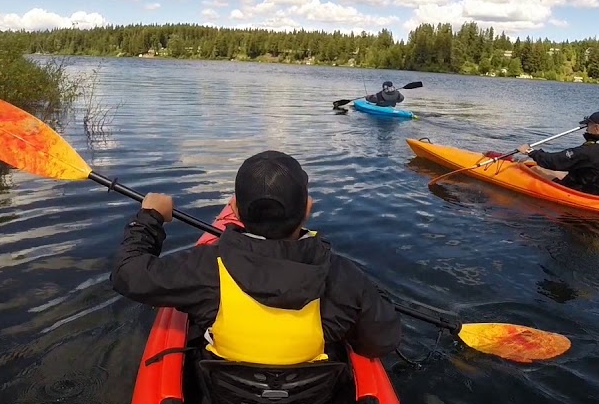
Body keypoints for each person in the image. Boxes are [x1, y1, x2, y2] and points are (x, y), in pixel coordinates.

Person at [110, 150, 402, 365]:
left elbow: (127, 273)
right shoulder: (343, 276)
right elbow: (382, 341)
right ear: (307, 209)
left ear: (234, 211)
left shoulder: (204, 268)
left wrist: (149, 217)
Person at [489, 110, 599, 196]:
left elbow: (554, 161)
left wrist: (530, 151)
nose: (586, 128)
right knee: (559, 172)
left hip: (583, 191)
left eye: (588, 125)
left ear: (596, 127)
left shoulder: (591, 151)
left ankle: (511, 168)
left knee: (537, 168)